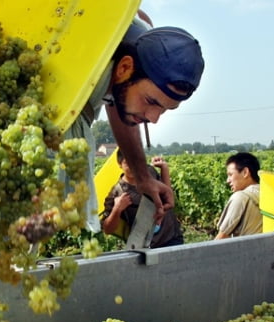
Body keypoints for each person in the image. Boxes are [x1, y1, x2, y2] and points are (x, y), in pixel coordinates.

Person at [59, 10, 205, 233]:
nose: (153, 118)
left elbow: (119, 104)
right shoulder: (76, 49)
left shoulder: (140, 40)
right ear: (124, 68)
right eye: (150, 101)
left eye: (164, 110)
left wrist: (142, 176)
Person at [100, 149, 183, 248]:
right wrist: (117, 209)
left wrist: (164, 168)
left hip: (172, 236)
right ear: (120, 164)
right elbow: (107, 229)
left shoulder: (150, 172)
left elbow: (167, 195)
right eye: (127, 163)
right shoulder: (117, 193)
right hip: (146, 247)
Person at [215, 152, 262, 239]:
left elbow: (222, 236)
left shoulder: (240, 197)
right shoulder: (266, 192)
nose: (227, 180)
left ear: (245, 172)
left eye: (230, 174)